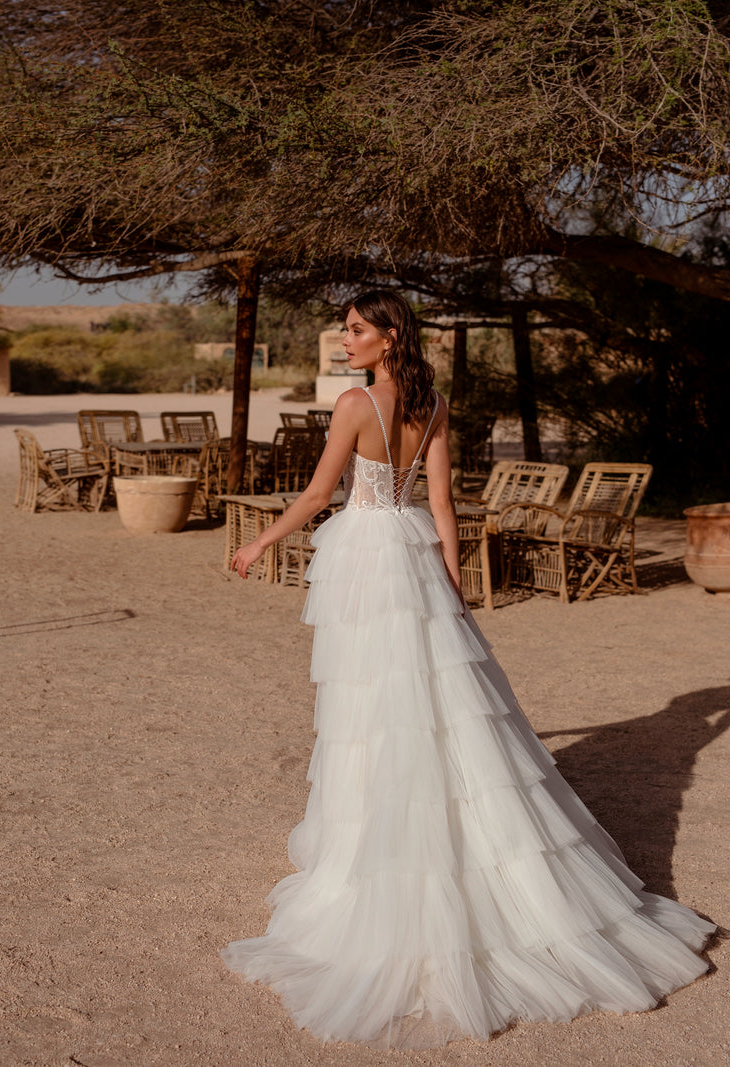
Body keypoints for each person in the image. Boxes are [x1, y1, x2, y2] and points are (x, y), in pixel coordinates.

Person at [221, 290, 715, 1048]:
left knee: (373, 702)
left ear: (388, 338)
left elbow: (322, 494)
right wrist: (452, 585)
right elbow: (445, 503)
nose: (345, 339)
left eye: (355, 330)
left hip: (366, 555)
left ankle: (381, 853)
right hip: (413, 556)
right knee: (435, 699)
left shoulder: (357, 402)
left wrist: (260, 545)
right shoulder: (436, 402)